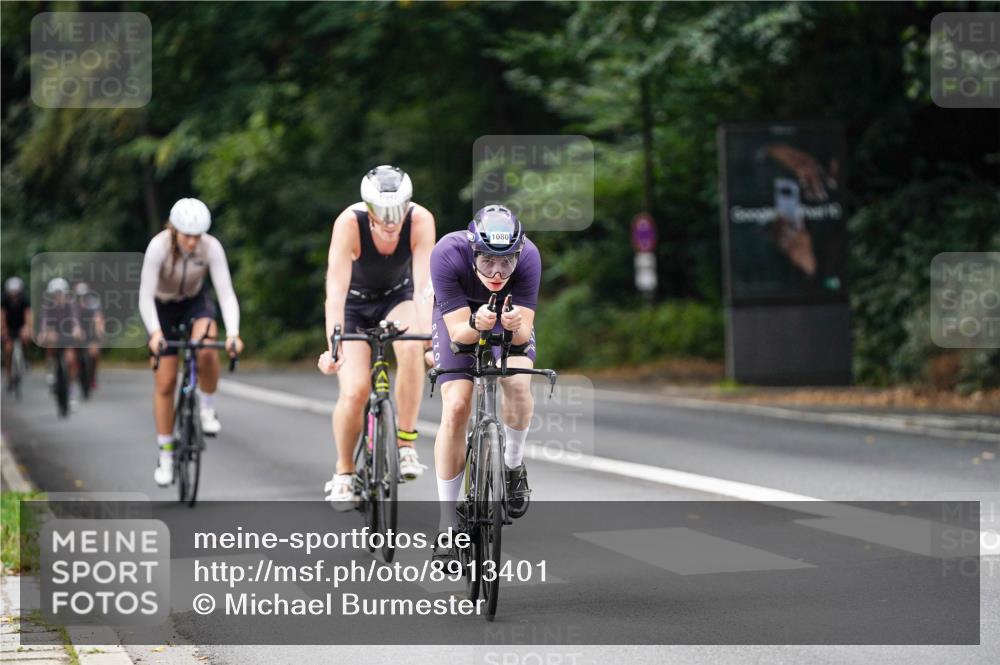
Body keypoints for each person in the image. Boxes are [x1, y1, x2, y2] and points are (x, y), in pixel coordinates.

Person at [317, 165, 436, 509]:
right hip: (354, 306)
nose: (391, 220)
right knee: (354, 391)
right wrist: (334, 346)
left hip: (397, 299)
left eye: (398, 210)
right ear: (368, 208)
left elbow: (424, 289)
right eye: (383, 212)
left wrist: (431, 341)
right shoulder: (348, 223)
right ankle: (343, 471)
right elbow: (335, 292)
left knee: (412, 346)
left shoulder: (421, 221)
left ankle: (406, 444)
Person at [427, 205, 541, 563]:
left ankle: (512, 465)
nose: (497, 270)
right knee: (457, 404)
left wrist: (511, 324)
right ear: (472, 249)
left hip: (505, 322)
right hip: (461, 318)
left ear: (518, 254)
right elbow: (459, 333)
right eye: (487, 259)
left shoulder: (530, 258)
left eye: (506, 261)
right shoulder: (447, 253)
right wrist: (478, 322)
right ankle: (448, 526)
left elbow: (523, 335)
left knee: (519, 383)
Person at [139, 197, 243, 487]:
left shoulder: (211, 248)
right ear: (173, 230)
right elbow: (145, 296)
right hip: (162, 307)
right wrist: (156, 333)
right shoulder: (158, 248)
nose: (192, 242)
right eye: (187, 235)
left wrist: (233, 333)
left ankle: (207, 407)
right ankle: (166, 455)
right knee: (165, 380)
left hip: (194, 303)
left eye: (197, 236)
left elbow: (225, 293)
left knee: (207, 349)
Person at [38, 277, 83, 406]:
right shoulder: (48, 305)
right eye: (55, 294)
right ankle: (51, 369)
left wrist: (77, 329)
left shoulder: (71, 304)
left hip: (68, 334)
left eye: (60, 293)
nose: (58, 296)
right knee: (50, 342)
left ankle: (73, 389)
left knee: (71, 359)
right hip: (54, 333)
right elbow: (45, 321)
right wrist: (44, 332)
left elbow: (75, 319)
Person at [2, 276, 32, 390]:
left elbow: (28, 315)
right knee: (8, 350)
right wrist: (3, 329)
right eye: (11, 292)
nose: (13, 294)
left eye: (16, 292)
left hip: (21, 326)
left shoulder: (24, 299)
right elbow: (2, 316)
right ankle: (9, 375)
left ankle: (26, 357)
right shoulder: (4, 300)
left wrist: (27, 328)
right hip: (9, 327)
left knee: (26, 338)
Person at [74, 282, 105, 391]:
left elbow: (98, 318)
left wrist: (100, 331)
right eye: (79, 296)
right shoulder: (72, 304)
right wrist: (76, 330)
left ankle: (92, 376)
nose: (81, 298)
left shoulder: (94, 302)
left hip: (91, 330)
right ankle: (76, 367)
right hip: (77, 329)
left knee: (94, 353)